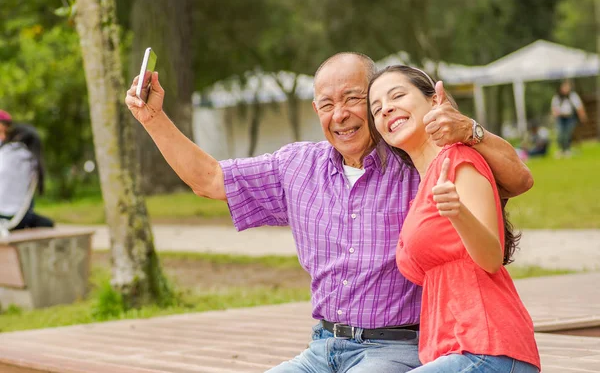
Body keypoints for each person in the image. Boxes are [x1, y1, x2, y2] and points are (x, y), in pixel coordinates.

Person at [124, 52, 533, 372]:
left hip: (395, 349)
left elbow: (517, 179)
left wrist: (467, 129)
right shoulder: (296, 166)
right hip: (321, 348)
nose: (340, 114)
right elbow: (210, 179)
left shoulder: (414, 158)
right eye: (326, 104)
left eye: (355, 99)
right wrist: (153, 118)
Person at [368, 65, 540, 372]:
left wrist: (458, 212)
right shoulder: (422, 187)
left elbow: (490, 258)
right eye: (376, 108)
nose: (386, 109)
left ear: (434, 101)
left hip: (487, 348)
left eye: (397, 96)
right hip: (448, 351)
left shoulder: (459, 158)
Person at [0, 123, 55, 230]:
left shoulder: (7, 151)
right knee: (45, 222)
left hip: (4, 216)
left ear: (17, 136)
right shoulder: (34, 160)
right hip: (20, 218)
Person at [551, 79, 587, 157]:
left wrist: (582, 116)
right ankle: (561, 150)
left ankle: (567, 150)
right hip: (560, 118)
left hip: (570, 118)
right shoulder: (557, 97)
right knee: (560, 134)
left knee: (567, 134)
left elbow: (579, 107)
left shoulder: (573, 96)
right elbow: (554, 108)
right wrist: (554, 115)